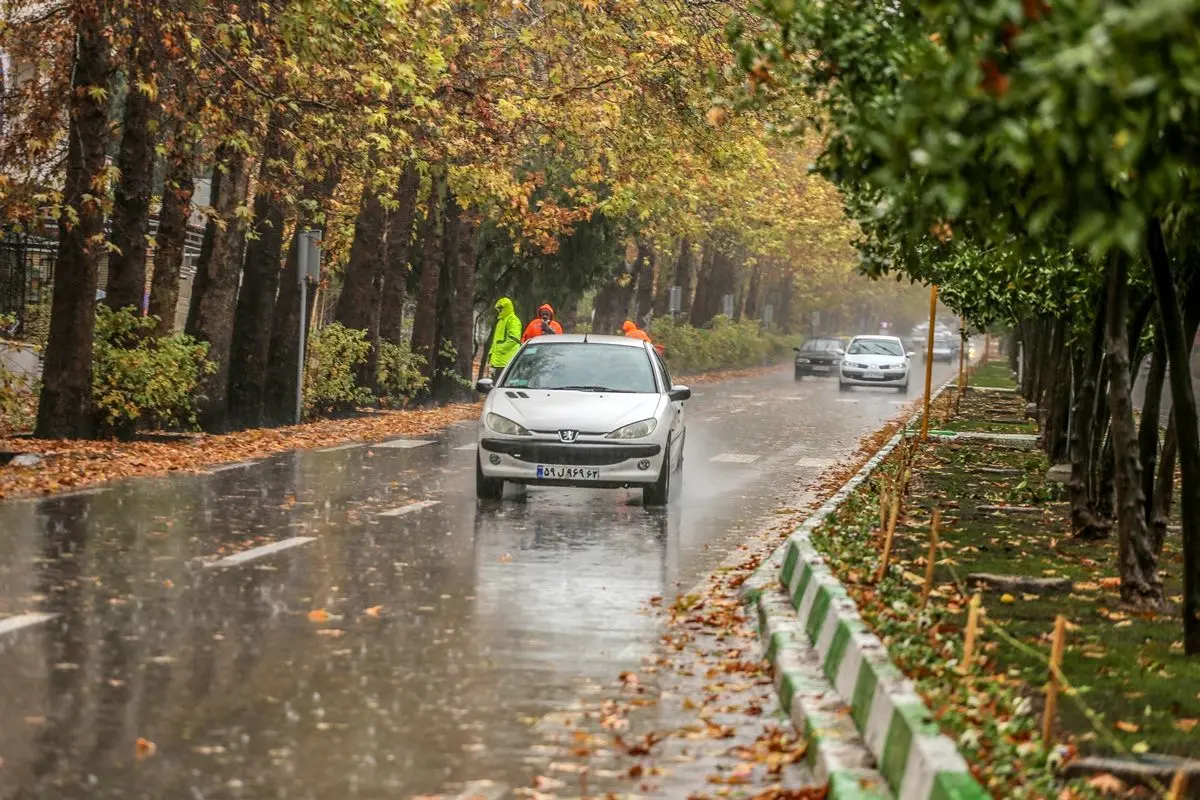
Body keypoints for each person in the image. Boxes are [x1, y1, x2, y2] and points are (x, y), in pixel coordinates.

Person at [488, 297, 523, 378]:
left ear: (506, 307)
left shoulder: (513, 320)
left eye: (501, 308)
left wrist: (500, 349)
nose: (499, 310)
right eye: (499, 308)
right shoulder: (501, 321)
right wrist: (491, 353)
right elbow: (496, 340)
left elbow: (514, 339)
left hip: (507, 360)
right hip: (499, 360)